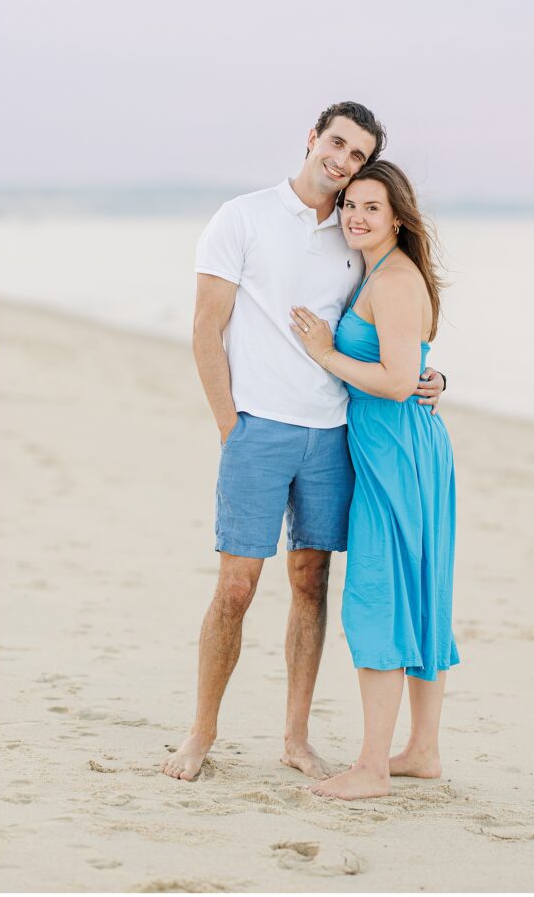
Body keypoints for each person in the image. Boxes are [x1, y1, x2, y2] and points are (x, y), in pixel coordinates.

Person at [161, 103, 447, 783]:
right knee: (235, 586)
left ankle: (295, 737)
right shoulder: (242, 217)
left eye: (356, 155)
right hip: (257, 428)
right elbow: (206, 327)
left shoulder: (355, 233)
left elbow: (392, 324)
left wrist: (430, 376)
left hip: (333, 437)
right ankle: (201, 733)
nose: (343, 161)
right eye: (337, 143)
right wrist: (230, 424)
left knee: (310, 583)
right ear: (312, 137)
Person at [289, 160, 459, 800]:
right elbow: (411, 366)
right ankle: (421, 750)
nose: (356, 217)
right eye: (351, 205)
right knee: (417, 594)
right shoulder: (384, 272)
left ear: (397, 218)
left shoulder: (391, 280)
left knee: (378, 597)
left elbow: (392, 381)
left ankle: (372, 768)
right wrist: (433, 378)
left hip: (396, 457)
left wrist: (325, 354)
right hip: (406, 449)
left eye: (372, 208)